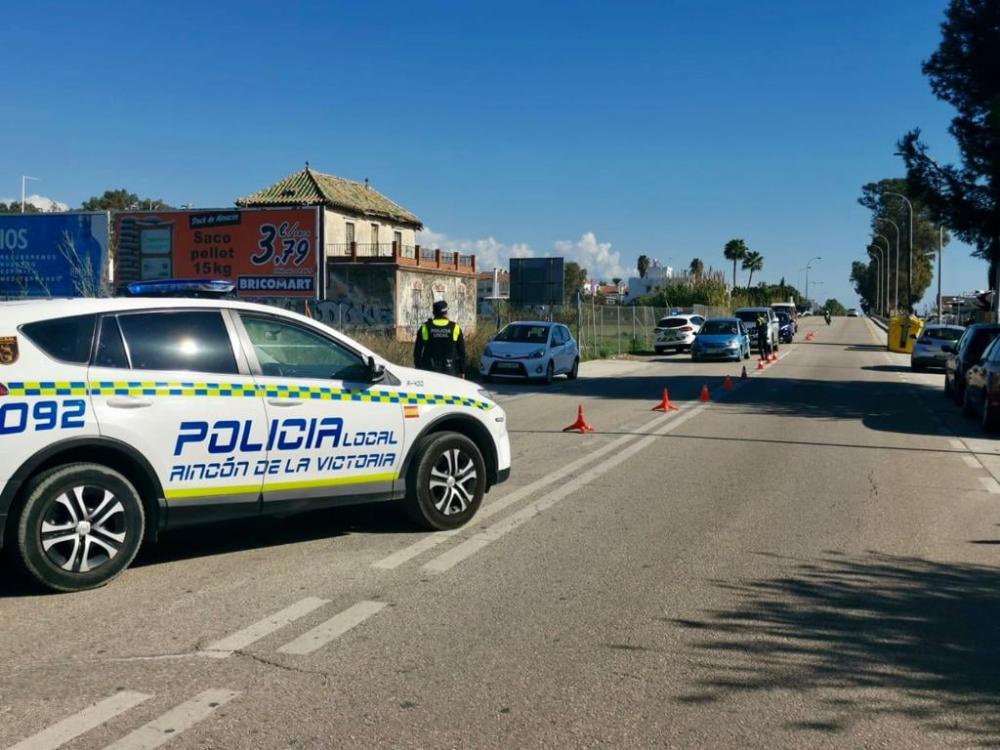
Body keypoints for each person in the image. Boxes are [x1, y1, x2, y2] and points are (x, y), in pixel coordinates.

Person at [413, 300, 466, 377]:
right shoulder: (455, 327)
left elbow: (417, 351)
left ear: (433, 313)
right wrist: (462, 370)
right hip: (450, 371)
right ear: (446, 312)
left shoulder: (425, 327)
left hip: (429, 371)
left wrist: (418, 367)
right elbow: (462, 352)